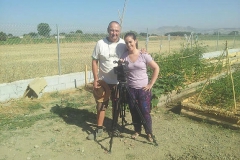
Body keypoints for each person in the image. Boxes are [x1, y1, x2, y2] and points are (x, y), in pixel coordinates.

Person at [87, 21, 127, 140]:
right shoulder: (100, 43)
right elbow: (94, 61)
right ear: (108, 30)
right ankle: (99, 129)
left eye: (116, 31)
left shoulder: (123, 44)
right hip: (103, 81)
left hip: (118, 82)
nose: (114, 33)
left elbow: (133, 52)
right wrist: (95, 79)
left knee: (117, 105)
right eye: (112, 30)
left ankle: (114, 127)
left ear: (120, 31)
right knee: (101, 106)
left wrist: (143, 51)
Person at [120, 32, 159, 142]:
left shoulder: (144, 55)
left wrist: (150, 84)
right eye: (126, 43)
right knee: (133, 111)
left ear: (135, 41)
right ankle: (137, 130)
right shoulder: (124, 56)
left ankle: (149, 132)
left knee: (145, 111)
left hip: (143, 90)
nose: (129, 44)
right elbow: (122, 69)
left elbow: (156, 68)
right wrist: (120, 64)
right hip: (131, 89)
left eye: (130, 42)